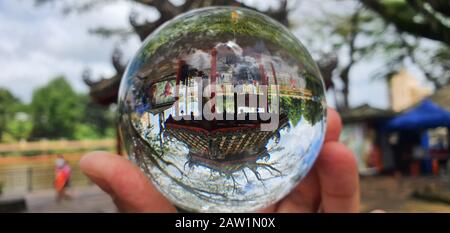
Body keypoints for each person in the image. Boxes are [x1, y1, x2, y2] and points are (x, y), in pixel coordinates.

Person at [79, 108, 359, 212]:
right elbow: (273, 119)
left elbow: (272, 119)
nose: (216, 152)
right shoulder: (260, 122)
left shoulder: (257, 121)